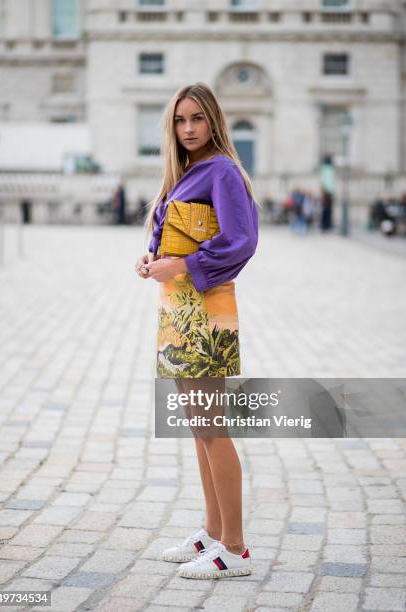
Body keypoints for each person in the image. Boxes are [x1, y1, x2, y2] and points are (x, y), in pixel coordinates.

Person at [135, 82, 259, 579]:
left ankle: (235, 547)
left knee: (212, 426)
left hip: (206, 311)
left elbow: (242, 241)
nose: (188, 129)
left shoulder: (223, 171)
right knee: (198, 427)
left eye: (197, 119)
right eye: (180, 121)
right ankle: (212, 532)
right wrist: (150, 257)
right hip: (178, 313)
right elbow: (169, 232)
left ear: (213, 122)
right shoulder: (183, 173)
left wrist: (181, 265)